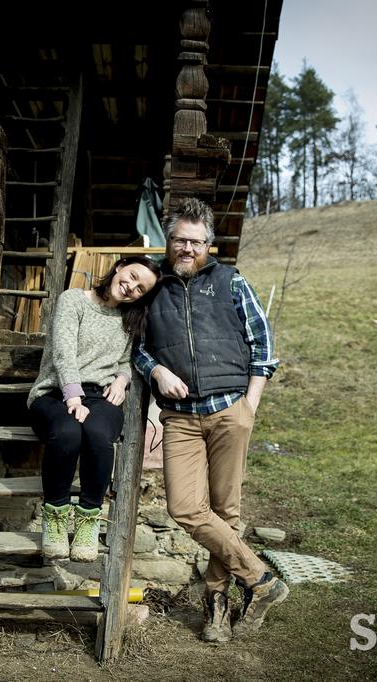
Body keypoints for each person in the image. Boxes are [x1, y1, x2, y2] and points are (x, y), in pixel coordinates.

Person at [132, 198, 288, 643]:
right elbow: (136, 345)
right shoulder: (153, 285)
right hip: (180, 418)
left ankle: (216, 606)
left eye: (195, 241)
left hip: (229, 412)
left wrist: (250, 406)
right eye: (179, 239)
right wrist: (155, 370)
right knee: (185, 507)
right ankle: (261, 580)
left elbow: (263, 346)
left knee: (225, 511)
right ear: (169, 240)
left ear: (209, 244)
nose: (186, 248)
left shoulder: (231, 281)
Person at [28, 256, 161, 563]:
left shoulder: (130, 319)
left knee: (99, 434)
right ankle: (56, 517)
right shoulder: (74, 300)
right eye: (131, 277)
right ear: (118, 268)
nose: (131, 288)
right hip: (55, 392)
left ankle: (88, 519)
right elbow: (63, 352)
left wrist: (123, 379)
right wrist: (72, 397)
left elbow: (129, 359)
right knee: (67, 431)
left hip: (100, 397)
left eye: (140, 289)